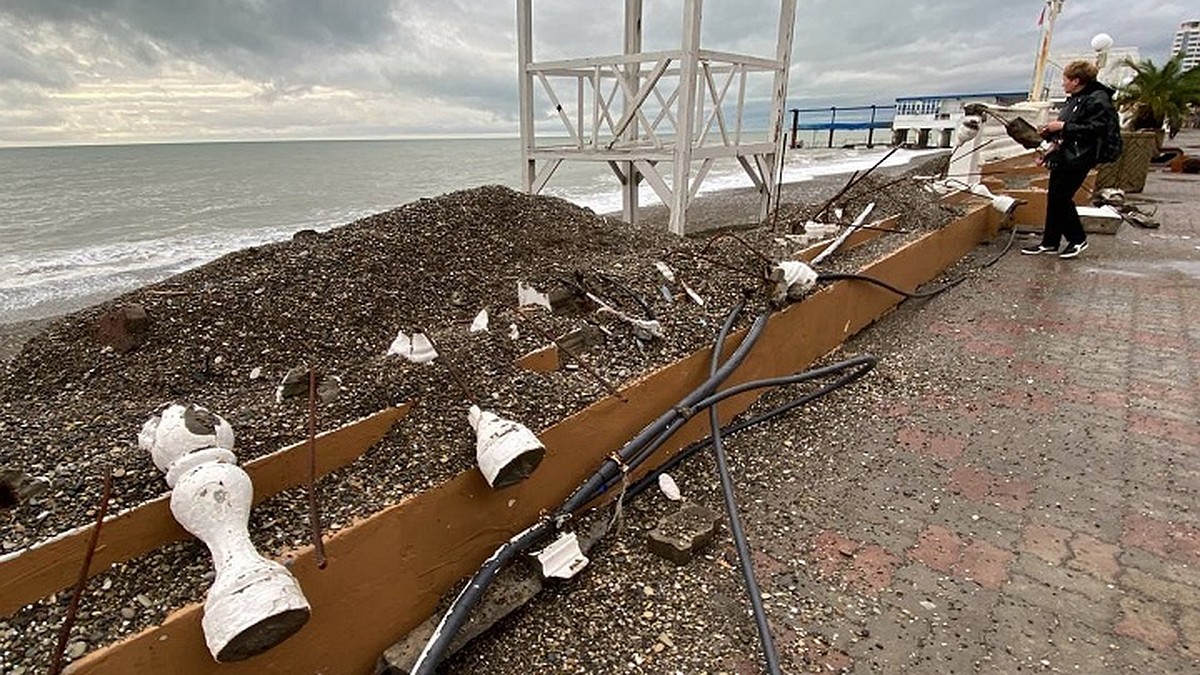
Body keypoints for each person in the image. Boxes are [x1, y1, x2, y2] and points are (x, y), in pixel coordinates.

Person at [1021, 60, 1118, 259]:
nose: (1063, 83)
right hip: (1066, 155)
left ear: (1076, 80)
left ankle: (1077, 239)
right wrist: (1050, 145)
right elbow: (1067, 131)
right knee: (1054, 197)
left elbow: (1096, 130)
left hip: (1081, 156)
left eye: (1065, 79)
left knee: (1061, 197)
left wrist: (1063, 127)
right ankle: (1050, 242)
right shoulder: (1076, 98)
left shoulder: (1097, 99)